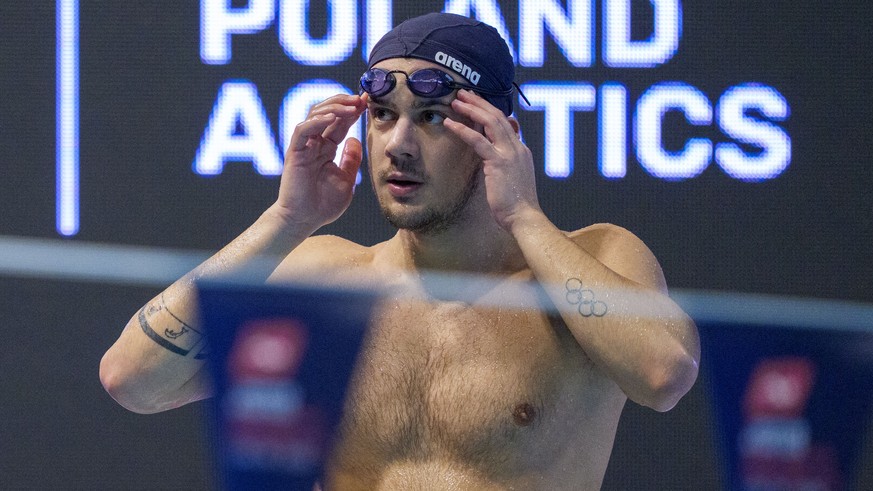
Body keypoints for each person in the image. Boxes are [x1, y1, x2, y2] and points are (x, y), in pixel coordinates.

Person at [100, 12, 700, 490]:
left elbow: (663, 375)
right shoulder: (326, 279)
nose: (399, 144)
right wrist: (287, 219)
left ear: (500, 137)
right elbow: (133, 380)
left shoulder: (593, 259)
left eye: (433, 117)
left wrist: (524, 216)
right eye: (383, 116)